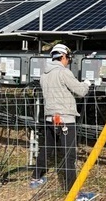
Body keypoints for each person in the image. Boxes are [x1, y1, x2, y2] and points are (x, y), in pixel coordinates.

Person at [30, 44, 91, 192]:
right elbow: (81, 91)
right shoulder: (64, 73)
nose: (68, 62)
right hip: (65, 120)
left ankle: (36, 177)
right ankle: (73, 192)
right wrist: (87, 83)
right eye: (68, 59)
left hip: (50, 119)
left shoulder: (44, 75)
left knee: (46, 148)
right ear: (63, 57)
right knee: (69, 156)